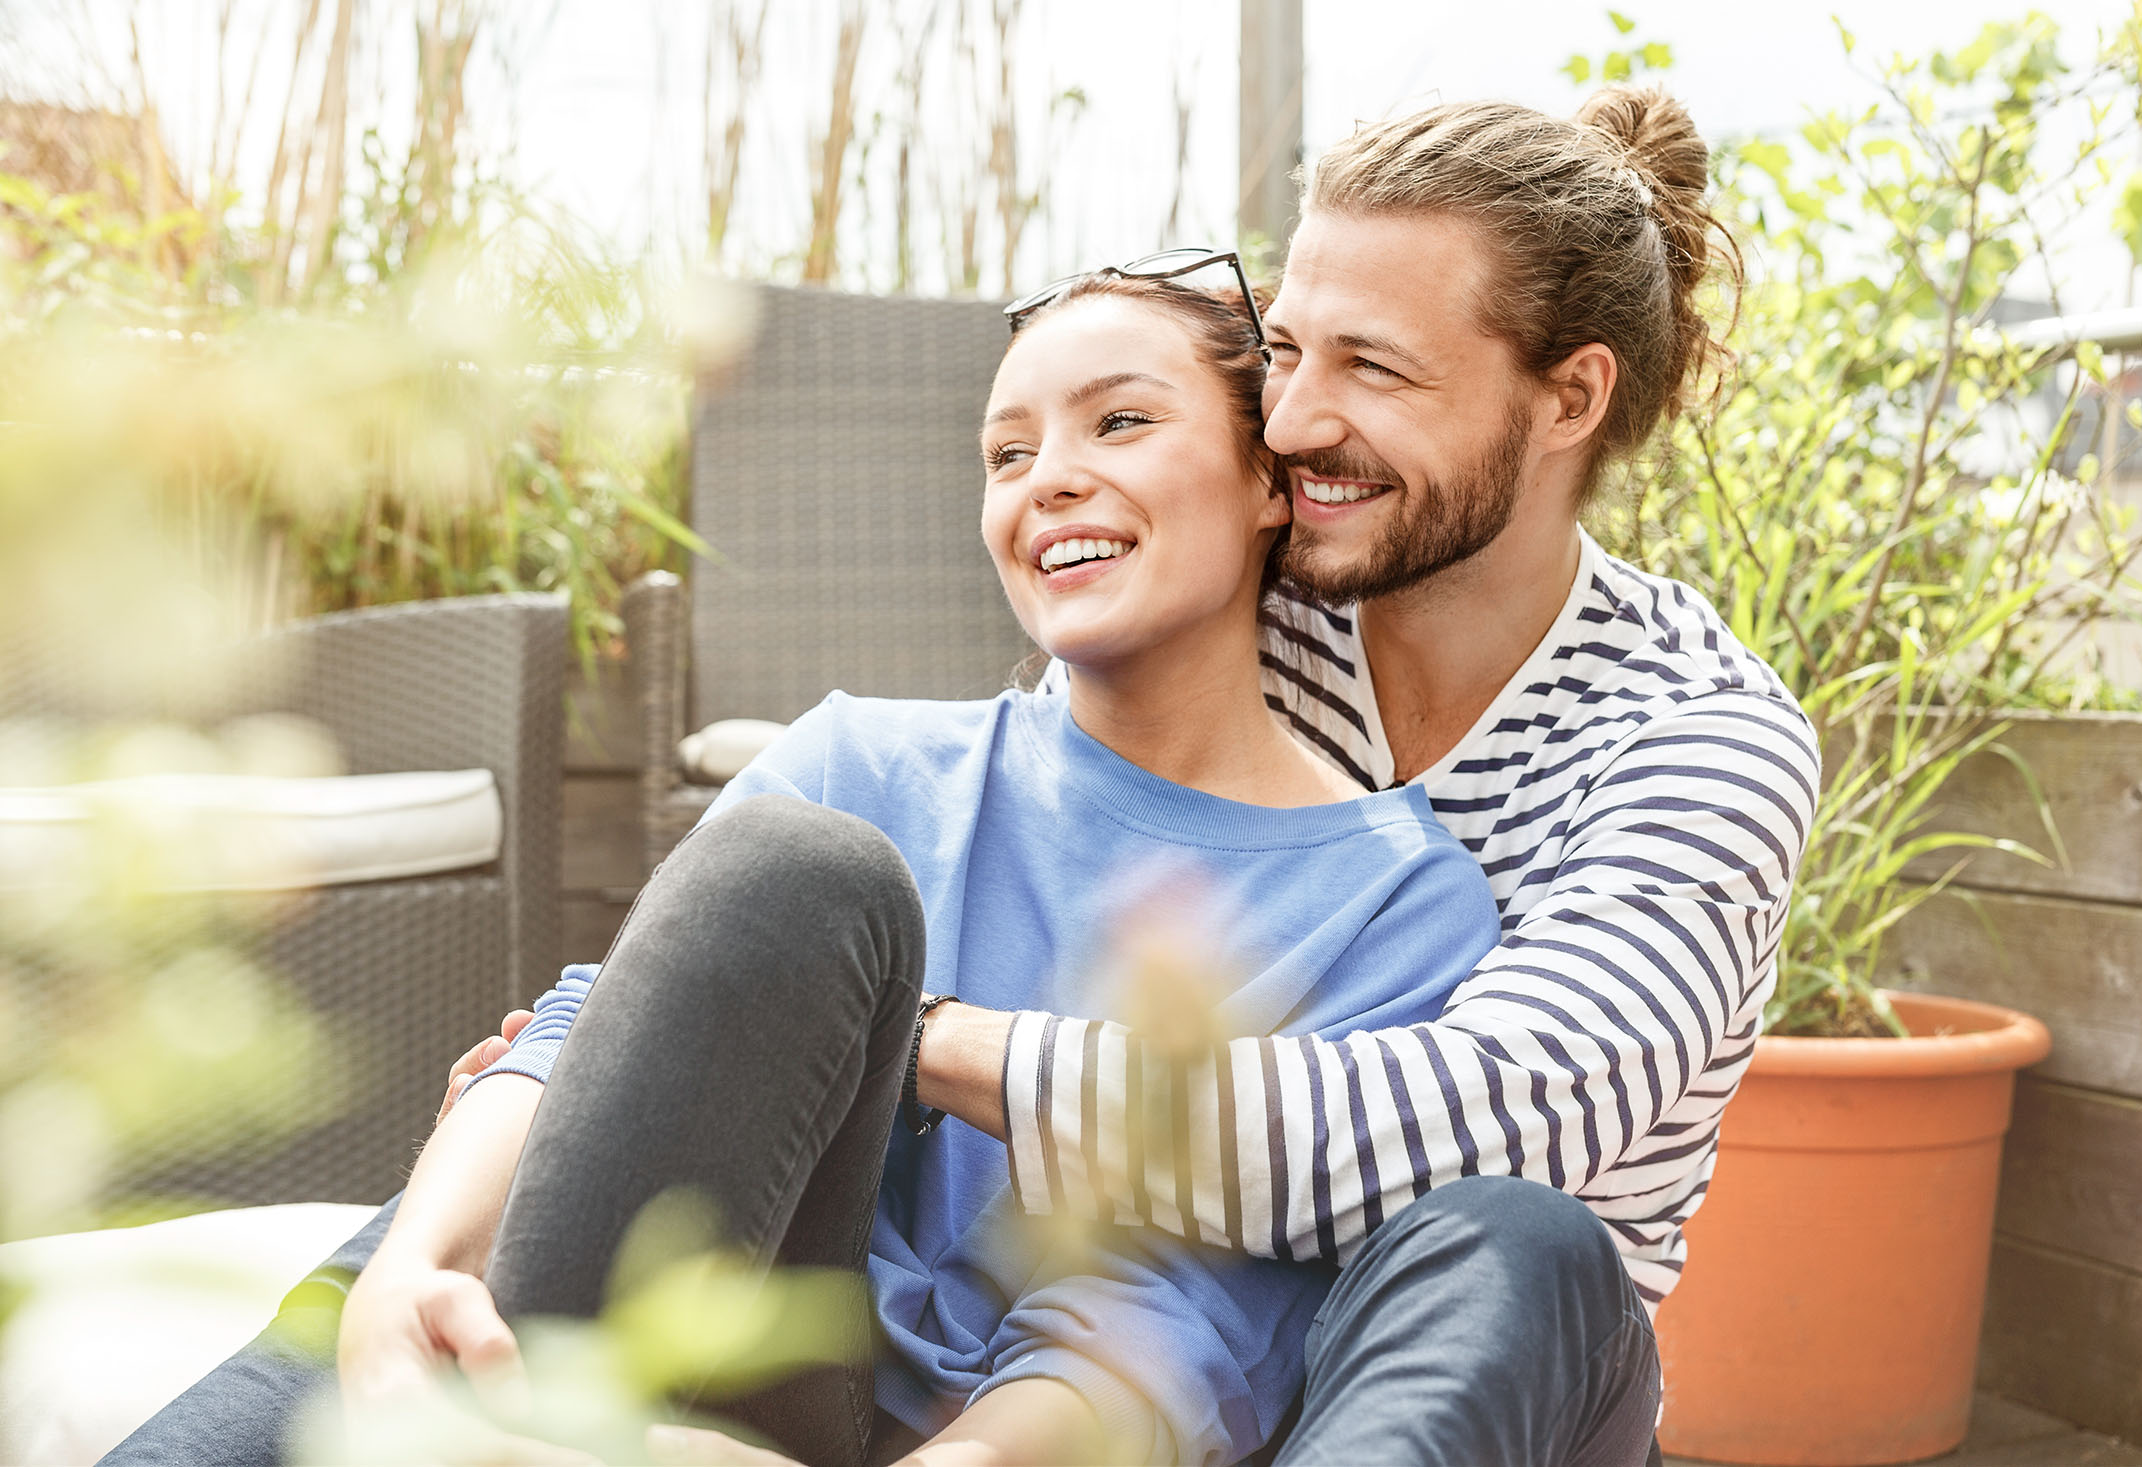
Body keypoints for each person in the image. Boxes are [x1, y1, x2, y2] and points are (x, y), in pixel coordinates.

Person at [463, 84, 1820, 1467]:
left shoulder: (1696, 743)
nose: (1291, 420)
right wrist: (647, 1059)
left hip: (1469, 1383)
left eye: (1375, 369)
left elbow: (1461, 1129)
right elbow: (1012, 867)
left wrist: (899, 1035)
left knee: (1504, 1238)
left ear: (1569, 397)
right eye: (1287, 351)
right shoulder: (1252, 604)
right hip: (1146, 1362)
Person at [104, 265, 1514, 1467]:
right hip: (666, 1321)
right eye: (1006, 453)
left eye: (1124, 422)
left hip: (916, 1430)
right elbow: (597, 1027)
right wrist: (411, 1265)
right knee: (780, 888)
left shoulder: (1396, 903)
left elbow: (1182, 1316)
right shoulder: (868, 760)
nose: (1049, 479)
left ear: (1272, 483)